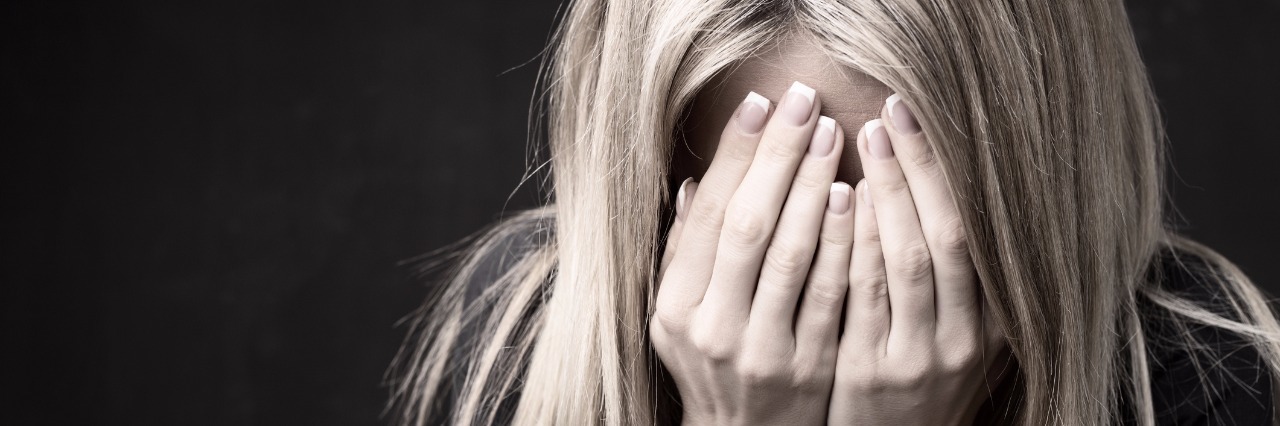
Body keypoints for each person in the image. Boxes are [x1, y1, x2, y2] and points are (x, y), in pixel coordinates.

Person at [388, 0, 1280, 424]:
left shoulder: (1206, 376)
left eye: (908, 225)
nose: (821, 301)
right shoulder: (519, 336)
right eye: (767, 227)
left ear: (1031, 197)